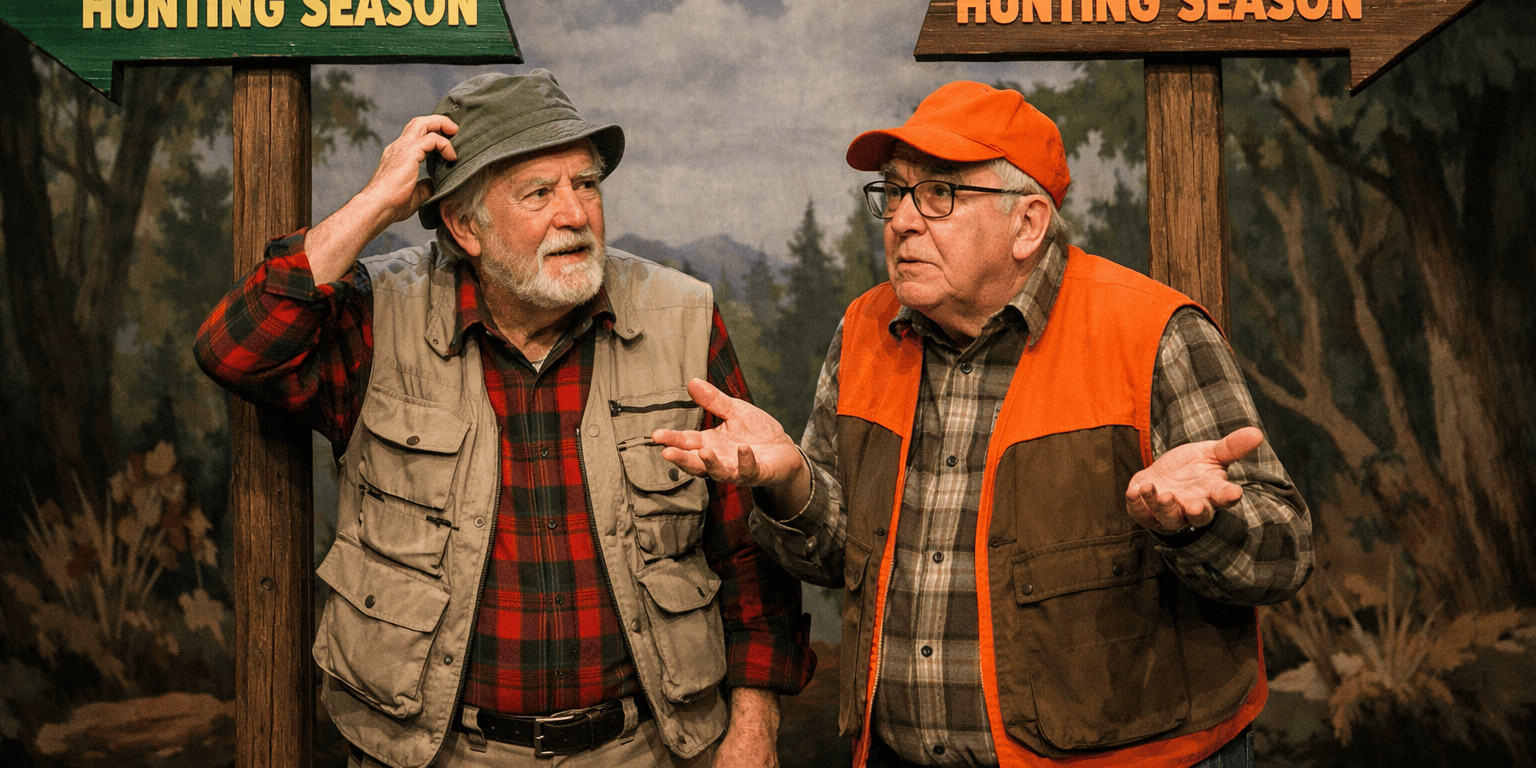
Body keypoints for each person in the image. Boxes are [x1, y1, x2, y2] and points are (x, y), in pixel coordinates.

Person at [653, 80, 1313, 768]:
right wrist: (791, 485)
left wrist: (1200, 524)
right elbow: (833, 558)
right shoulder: (864, 331)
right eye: (895, 192)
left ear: (1028, 224)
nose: (902, 220)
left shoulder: (1152, 333)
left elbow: (1284, 554)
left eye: (939, 194)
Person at [196, 70, 813, 768]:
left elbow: (744, 548)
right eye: (539, 193)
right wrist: (375, 203)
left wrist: (754, 725)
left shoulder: (683, 317)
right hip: (433, 752)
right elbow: (236, 350)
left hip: (645, 748)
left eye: (586, 185)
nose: (576, 214)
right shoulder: (379, 316)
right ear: (465, 227)